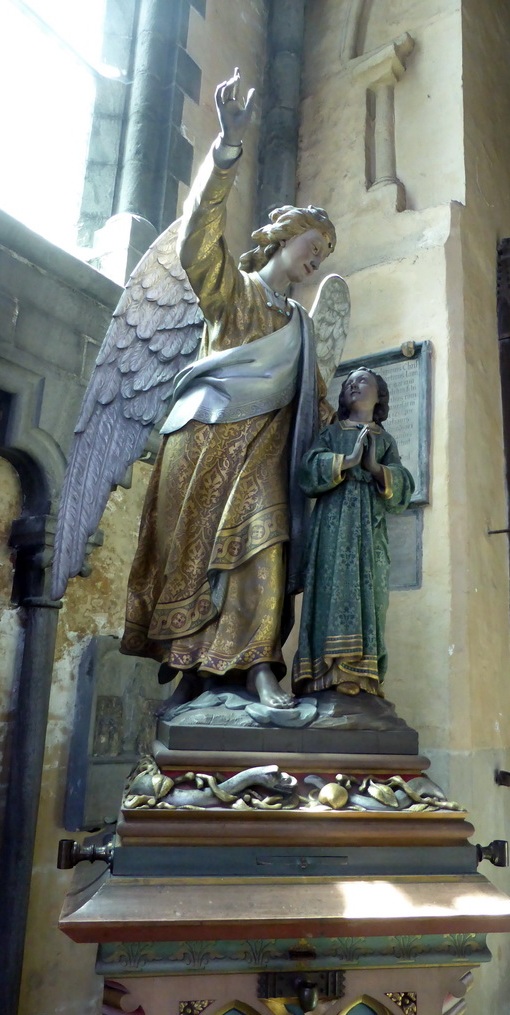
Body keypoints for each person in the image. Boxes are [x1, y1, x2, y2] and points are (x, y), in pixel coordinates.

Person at [120, 70, 335, 709]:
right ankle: (190, 665)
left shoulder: (300, 325)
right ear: (279, 236)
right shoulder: (234, 294)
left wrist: (349, 429)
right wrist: (227, 148)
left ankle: (261, 663)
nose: (316, 257)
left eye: (324, 252)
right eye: (312, 243)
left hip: (266, 454)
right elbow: (193, 246)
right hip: (207, 440)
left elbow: (316, 403)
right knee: (192, 556)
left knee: (264, 546)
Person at [292, 367, 414, 698]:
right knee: (330, 590)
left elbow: (403, 489)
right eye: (348, 384)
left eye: (362, 381)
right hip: (332, 525)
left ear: (380, 395)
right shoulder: (332, 433)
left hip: (369, 531)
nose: (353, 386)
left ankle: (362, 675)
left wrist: (375, 467)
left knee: (370, 594)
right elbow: (306, 470)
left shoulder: (385, 440)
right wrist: (346, 461)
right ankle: (324, 673)